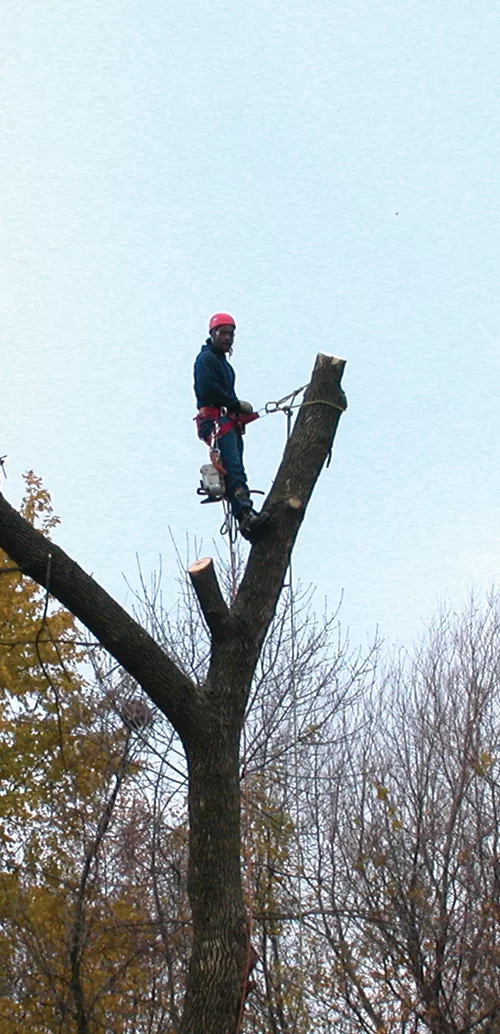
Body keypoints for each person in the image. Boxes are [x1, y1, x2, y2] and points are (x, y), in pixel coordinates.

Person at [194, 312, 270, 540]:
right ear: (213, 334)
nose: (228, 338)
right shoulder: (206, 359)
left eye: (231, 334)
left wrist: (237, 411)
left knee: (237, 468)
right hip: (215, 421)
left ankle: (245, 514)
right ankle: (244, 515)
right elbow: (209, 390)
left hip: (227, 421)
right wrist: (235, 404)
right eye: (223, 333)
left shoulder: (224, 365)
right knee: (233, 467)